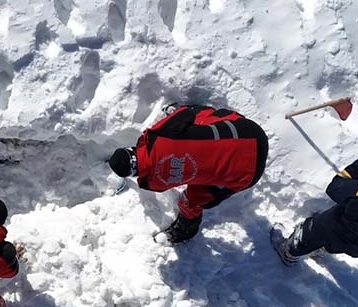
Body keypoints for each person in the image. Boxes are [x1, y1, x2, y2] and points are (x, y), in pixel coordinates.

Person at [110, 104, 269, 243]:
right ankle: (198, 112)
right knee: (199, 120)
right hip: (250, 135)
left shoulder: (152, 183)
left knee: (191, 201)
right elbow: (185, 114)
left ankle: (187, 228)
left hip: (247, 175)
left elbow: (158, 173)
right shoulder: (157, 136)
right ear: (130, 149)